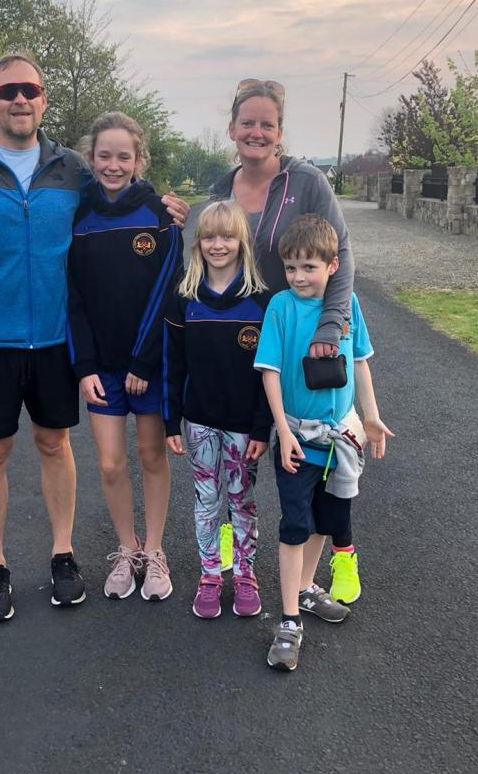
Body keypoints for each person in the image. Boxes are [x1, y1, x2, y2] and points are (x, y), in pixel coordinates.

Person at [0, 52, 187, 623]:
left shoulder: (72, 169)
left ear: (43, 100)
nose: (20, 100)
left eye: (30, 90)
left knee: (53, 444)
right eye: (7, 91)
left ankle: (62, 554)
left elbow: (124, 189)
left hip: (54, 340)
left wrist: (165, 206)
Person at [205, 78, 361, 605]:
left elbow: (343, 254)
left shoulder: (307, 181)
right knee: (238, 451)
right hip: (237, 343)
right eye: (246, 122)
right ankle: (235, 548)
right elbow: (204, 248)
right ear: (232, 130)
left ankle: (317, 571)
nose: (256, 131)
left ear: (279, 131)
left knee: (309, 466)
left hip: (298, 343)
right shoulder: (217, 190)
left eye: (266, 123)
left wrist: (330, 325)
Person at [253, 215, 393, 671]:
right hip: (298, 438)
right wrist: (284, 431)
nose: (298, 277)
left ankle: (306, 588)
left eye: (309, 267)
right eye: (291, 267)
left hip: (340, 440)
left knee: (319, 522)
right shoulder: (280, 308)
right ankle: (289, 620)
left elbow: (361, 363)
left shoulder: (347, 304)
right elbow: (270, 371)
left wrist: (370, 417)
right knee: (295, 524)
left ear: (333, 266)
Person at [67, 112, 182, 602]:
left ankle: (154, 550)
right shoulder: (79, 217)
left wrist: (142, 361)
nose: (113, 165)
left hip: (148, 366)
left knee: (150, 455)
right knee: (111, 465)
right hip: (102, 370)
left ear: (139, 160)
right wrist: (85, 367)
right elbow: (72, 297)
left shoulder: (161, 216)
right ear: (91, 158)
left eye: (124, 156)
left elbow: (167, 295)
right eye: (104, 155)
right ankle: (127, 548)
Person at [163, 202, 271, 619]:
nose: (218, 245)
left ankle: (245, 573)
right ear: (198, 243)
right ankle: (211, 574)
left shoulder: (262, 303)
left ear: (242, 241)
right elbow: (173, 367)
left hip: (245, 427)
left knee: (242, 500)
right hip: (201, 422)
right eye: (209, 236)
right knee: (206, 500)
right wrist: (171, 420)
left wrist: (263, 429)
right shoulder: (184, 299)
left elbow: (270, 373)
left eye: (227, 236)